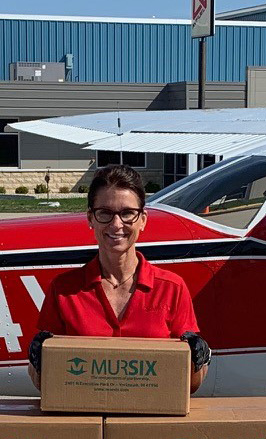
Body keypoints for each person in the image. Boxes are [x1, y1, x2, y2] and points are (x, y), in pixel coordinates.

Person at [26, 165, 210, 386]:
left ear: (143, 219)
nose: (116, 224)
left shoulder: (172, 288)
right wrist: (37, 360)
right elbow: (42, 381)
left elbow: (191, 384)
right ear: (90, 218)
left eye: (127, 213)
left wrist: (199, 359)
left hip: (148, 409)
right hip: (83, 409)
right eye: (105, 213)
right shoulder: (64, 290)